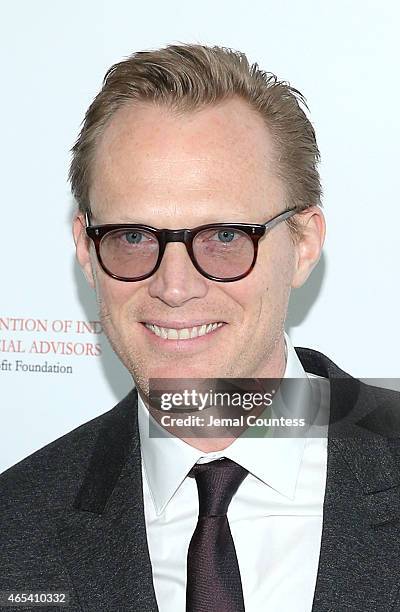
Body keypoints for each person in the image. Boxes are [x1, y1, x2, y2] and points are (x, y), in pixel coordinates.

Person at [1, 43, 399, 612]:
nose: (175, 285)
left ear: (304, 243)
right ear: (86, 252)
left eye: (225, 236)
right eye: (134, 237)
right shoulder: (16, 524)